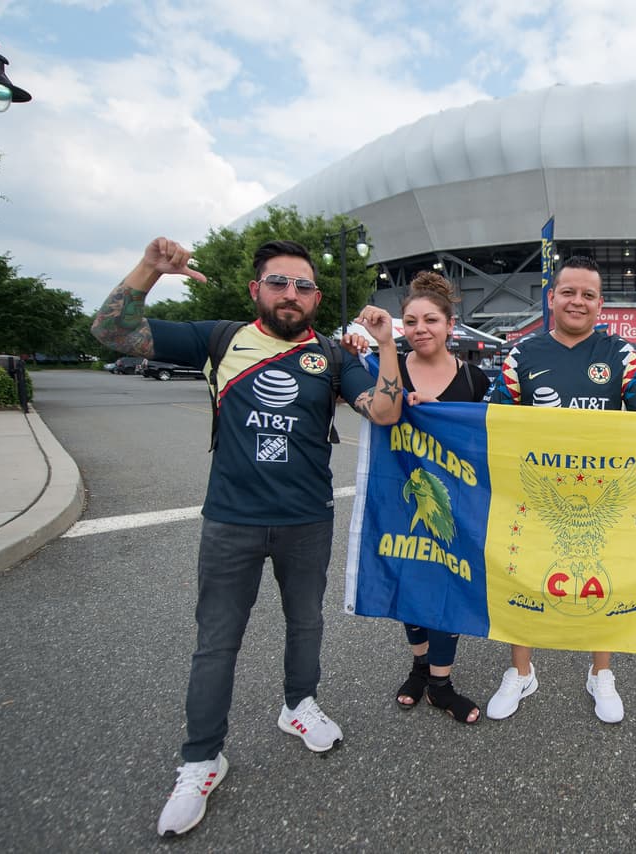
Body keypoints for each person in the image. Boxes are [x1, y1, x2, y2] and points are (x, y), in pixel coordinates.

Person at [91, 237, 404, 837]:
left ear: (315, 297)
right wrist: (150, 270)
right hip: (230, 519)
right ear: (256, 289)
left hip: (308, 519)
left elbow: (385, 412)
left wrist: (387, 344)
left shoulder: (335, 357)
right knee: (217, 642)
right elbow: (112, 333)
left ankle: (298, 705)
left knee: (306, 622)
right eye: (280, 283)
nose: (292, 294)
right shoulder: (220, 338)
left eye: (304, 286)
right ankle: (201, 759)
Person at [485, 256, 636, 724]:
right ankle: (521, 671)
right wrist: (430, 410)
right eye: (568, 292)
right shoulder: (523, 354)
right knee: (521, 575)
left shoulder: (619, 353)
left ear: (601, 304)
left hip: (603, 493)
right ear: (551, 297)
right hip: (536, 491)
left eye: (588, 294)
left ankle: (601, 673)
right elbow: (490, 419)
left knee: (604, 579)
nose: (578, 301)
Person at [392, 271, 492, 724]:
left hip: (455, 504)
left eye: (430, 319)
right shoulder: (388, 369)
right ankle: (418, 665)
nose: (420, 329)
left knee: (449, 583)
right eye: (410, 321)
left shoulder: (473, 378)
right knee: (410, 584)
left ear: (451, 325)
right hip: (402, 497)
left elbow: (494, 436)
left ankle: (441, 684)